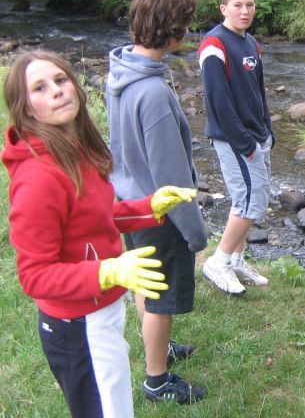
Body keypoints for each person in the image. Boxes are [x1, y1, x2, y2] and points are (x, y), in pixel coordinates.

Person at [2, 50, 197, 417]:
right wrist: (107, 271)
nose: (57, 91)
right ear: (26, 109)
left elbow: (95, 217)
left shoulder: (73, 149)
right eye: (40, 88)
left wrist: (147, 207)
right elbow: (33, 275)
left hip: (99, 314)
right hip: (78, 328)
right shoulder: (38, 179)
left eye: (60, 80)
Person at [106, 0, 208, 404]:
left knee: (146, 285)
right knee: (160, 296)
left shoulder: (122, 71)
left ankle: (157, 346)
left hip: (128, 203)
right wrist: (195, 233)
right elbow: (172, 180)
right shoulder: (152, 93)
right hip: (158, 213)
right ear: (175, 32)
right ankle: (157, 380)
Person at [198, 0, 274, 295]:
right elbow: (219, 101)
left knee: (244, 200)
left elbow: (258, 91)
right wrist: (245, 143)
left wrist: (268, 130)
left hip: (258, 137)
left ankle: (237, 260)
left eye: (250, 5)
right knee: (253, 202)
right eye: (238, 5)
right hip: (235, 141)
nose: (245, 11)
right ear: (223, 8)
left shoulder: (250, 43)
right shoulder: (214, 45)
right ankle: (218, 262)